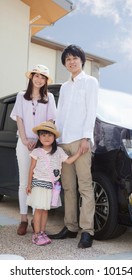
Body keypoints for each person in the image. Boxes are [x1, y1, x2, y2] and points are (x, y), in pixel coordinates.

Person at [48, 45, 99, 248]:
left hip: (80, 141)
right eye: (67, 59)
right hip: (64, 142)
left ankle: (87, 231)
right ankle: (70, 227)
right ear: (65, 63)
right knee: (68, 187)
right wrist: (56, 142)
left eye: (74, 58)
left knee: (85, 186)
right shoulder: (64, 87)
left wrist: (86, 138)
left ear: (82, 60)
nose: (71, 62)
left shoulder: (90, 82)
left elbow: (91, 111)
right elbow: (60, 115)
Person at [10, 64, 56, 236]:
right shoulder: (21, 96)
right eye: (36, 76)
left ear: (45, 81)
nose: (39, 79)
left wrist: (38, 140)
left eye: (43, 77)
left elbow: (51, 121)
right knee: (24, 182)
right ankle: (23, 219)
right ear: (31, 77)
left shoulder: (49, 97)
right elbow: (19, 119)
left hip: (41, 144)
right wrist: (24, 139)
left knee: (38, 182)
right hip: (23, 143)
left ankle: (37, 221)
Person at [26, 121, 82, 246]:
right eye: (43, 135)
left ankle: (42, 232)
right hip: (39, 184)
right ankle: (36, 234)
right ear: (39, 137)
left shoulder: (59, 151)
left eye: (50, 135)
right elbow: (31, 168)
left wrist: (78, 153)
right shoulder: (36, 152)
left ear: (54, 137)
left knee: (46, 210)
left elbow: (68, 161)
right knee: (38, 210)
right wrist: (29, 184)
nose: (46, 138)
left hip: (51, 186)